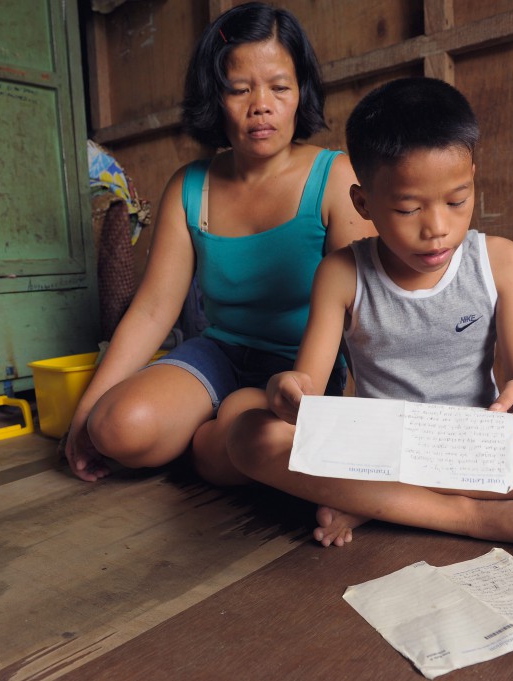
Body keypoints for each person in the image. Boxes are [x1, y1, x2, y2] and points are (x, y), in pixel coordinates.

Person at [227, 77, 513, 560]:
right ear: (363, 204)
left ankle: (382, 504)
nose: (437, 228)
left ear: (473, 181)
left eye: (457, 200)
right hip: (379, 452)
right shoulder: (341, 273)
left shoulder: (502, 261)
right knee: (249, 433)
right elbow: (309, 390)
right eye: (408, 208)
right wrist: (288, 392)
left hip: (473, 449)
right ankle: (475, 517)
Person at [63, 3, 374, 483]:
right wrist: (84, 415)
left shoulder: (335, 178)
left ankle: (212, 438)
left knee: (241, 438)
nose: (261, 105)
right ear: (215, 96)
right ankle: (213, 437)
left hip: (301, 374)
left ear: (301, 92)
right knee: (116, 429)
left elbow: (366, 312)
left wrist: (364, 420)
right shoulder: (190, 186)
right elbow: (151, 312)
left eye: (279, 87)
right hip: (219, 354)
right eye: (239, 89)